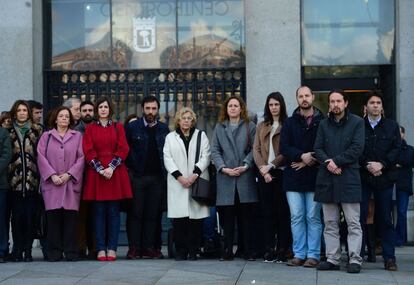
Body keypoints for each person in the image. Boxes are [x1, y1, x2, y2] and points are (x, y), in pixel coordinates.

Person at [313, 90, 365, 273]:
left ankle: (355, 260)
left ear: (345, 103)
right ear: (329, 104)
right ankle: (333, 259)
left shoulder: (357, 122)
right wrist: (329, 163)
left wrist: (336, 161)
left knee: (353, 223)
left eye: (338, 101)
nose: (335, 104)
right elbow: (317, 148)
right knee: (330, 223)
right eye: (332, 101)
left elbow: (357, 148)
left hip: (349, 177)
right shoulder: (323, 124)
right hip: (327, 177)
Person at [82, 96, 132, 261]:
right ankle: (101, 248)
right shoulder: (90, 129)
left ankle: (112, 248)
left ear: (110, 109)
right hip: (97, 174)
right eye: (100, 107)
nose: (103, 109)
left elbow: (123, 148)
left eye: (106, 106)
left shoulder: (118, 127)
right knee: (98, 213)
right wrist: (100, 169)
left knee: (113, 213)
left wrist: (111, 167)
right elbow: (88, 150)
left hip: (115, 172)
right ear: (97, 110)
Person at [279, 86, 324, 267]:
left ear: (313, 97)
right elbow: (284, 147)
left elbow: (325, 146)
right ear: (297, 99)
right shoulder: (289, 122)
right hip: (293, 176)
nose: (304, 99)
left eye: (307, 95)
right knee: (297, 216)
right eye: (300, 96)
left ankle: (313, 255)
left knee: (313, 217)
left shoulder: (323, 121)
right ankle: (299, 254)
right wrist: (300, 156)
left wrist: (308, 159)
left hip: (314, 176)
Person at [211, 95, 257, 261]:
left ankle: (248, 251)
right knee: (227, 219)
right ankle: (227, 251)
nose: (233, 108)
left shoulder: (250, 126)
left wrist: (246, 164)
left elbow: (255, 149)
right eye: (230, 105)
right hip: (226, 179)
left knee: (246, 218)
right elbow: (215, 150)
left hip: (245, 178)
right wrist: (223, 168)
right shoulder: (219, 127)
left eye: (236, 105)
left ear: (241, 108)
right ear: (226, 109)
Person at [359, 91, 401, 271]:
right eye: (372, 102)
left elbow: (397, 149)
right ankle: (357, 256)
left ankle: (389, 257)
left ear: (382, 106)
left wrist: (382, 164)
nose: (375, 105)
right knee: (358, 218)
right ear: (366, 107)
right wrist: (368, 165)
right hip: (363, 177)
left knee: (385, 218)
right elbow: (354, 148)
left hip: (384, 178)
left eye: (378, 102)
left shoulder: (392, 126)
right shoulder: (358, 126)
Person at [37, 106, 84, 261]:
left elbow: (81, 158)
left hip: (70, 184)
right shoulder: (46, 136)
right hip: (52, 184)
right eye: (61, 116)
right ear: (55, 119)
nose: (64, 118)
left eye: (66, 116)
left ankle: (71, 252)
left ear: (70, 120)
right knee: (53, 220)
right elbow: (41, 157)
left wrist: (69, 174)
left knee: (71, 220)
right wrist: (52, 175)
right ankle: (54, 253)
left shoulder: (77, 136)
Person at [163, 107, 211, 260]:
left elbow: (206, 156)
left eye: (189, 118)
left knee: (196, 220)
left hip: (196, 181)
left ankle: (193, 250)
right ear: (178, 120)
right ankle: (181, 251)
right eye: (183, 118)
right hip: (178, 183)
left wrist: (194, 175)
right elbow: (167, 158)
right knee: (179, 220)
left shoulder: (201, 135)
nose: (186, 121)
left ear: (193, 121)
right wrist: (180, 177)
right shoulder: (170, 137)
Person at [125, 96, 169, 259]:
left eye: (154, 108)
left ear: (158, 109)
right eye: (148, 108)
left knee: (152, 214)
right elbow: (125, 150)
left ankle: (149, 248)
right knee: (136, 213)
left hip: (157, 178)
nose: (151, 112)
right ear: (142, 108)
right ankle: (134, 248)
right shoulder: (132, 127)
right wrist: (130, 171)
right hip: (137, 177)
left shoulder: (164, 129)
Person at [253, 92, 291, 262]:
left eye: (276, 104)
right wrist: (264, 169)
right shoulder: (261, 125)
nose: (274, 108)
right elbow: (256, 149)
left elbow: (286, 150)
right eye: (271, 105)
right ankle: (269, 248)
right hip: (264, 174)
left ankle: (283, 248)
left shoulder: (288, 124)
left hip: (281, 172)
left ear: (281, 105)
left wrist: (272, 165)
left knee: (282, 212)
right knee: (266, 212)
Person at [6, 100, 43, 262]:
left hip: (32, 181)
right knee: (16, 218)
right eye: (19, 110)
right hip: (13, 182)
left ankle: (27, 251)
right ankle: (17, 250)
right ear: (15, 113)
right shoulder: (7, 131)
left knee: (29, 217)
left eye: (25, 110)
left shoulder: (38, 130)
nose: (22, 113)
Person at [73, 99, 95, 260]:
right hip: (80, 178)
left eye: (90, 110)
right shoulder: (75, 131)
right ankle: (80, 247)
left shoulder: (97, 129)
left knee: (95, 215)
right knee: (81, 216)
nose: (87, 113)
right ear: (80, 113)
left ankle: (94, 248)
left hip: (96, 178)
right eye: (84, 110)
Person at [395, 126, 414, 247]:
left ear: (403, 134)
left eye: (399, 133)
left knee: (401, 212)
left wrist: (398, 163)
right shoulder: (389, 148)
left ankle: (400, 239)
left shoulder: (410, 149)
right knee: (386, 213)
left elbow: (408, 161)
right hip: (389, 184)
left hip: (403, 185)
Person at [0, 125, 11, 263]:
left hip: (0, 184)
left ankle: (1, 250)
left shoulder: (2, 132)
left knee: (1, 219)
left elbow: (6, 154)